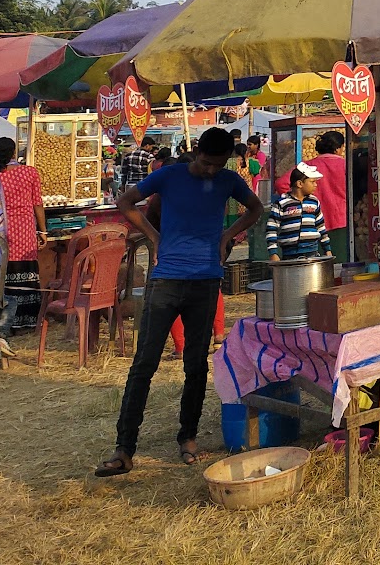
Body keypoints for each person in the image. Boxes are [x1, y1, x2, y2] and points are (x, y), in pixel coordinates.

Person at [97, 126, 262, 477]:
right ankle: (125, 449)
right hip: (167, 280)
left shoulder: (229, 180)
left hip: (205, 280)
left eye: (218, 165)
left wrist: (227, 236)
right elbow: (124, 202)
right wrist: (155, 238)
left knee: (196, 365)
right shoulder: (169, 175)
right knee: (144, 364)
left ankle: (187, 438)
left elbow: (255, 209)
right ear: (197, 151)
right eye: (206, 163)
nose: (211, 170)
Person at [0, 136, 43, 358]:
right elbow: (37, 203)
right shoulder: (29, 173)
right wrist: (42, 231)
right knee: (22, 275)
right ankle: (21, 322)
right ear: (15, 152)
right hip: (24, 231)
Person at [278, 131, 348, 259]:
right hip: (341, 222)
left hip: (310, 225)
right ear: (338, 148)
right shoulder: (346, 165)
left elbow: (281, 183)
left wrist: (298, 200)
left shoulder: (307, 167)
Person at [266, 164, 329, 261]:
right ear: (300, 184)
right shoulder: (281, 203)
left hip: (312, 253)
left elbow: (321, 227)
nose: (315, 185)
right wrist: (273, 253)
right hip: (289, 255)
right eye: (312, 182)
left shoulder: (314, 202)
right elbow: (271, 229)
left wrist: (327, 249)